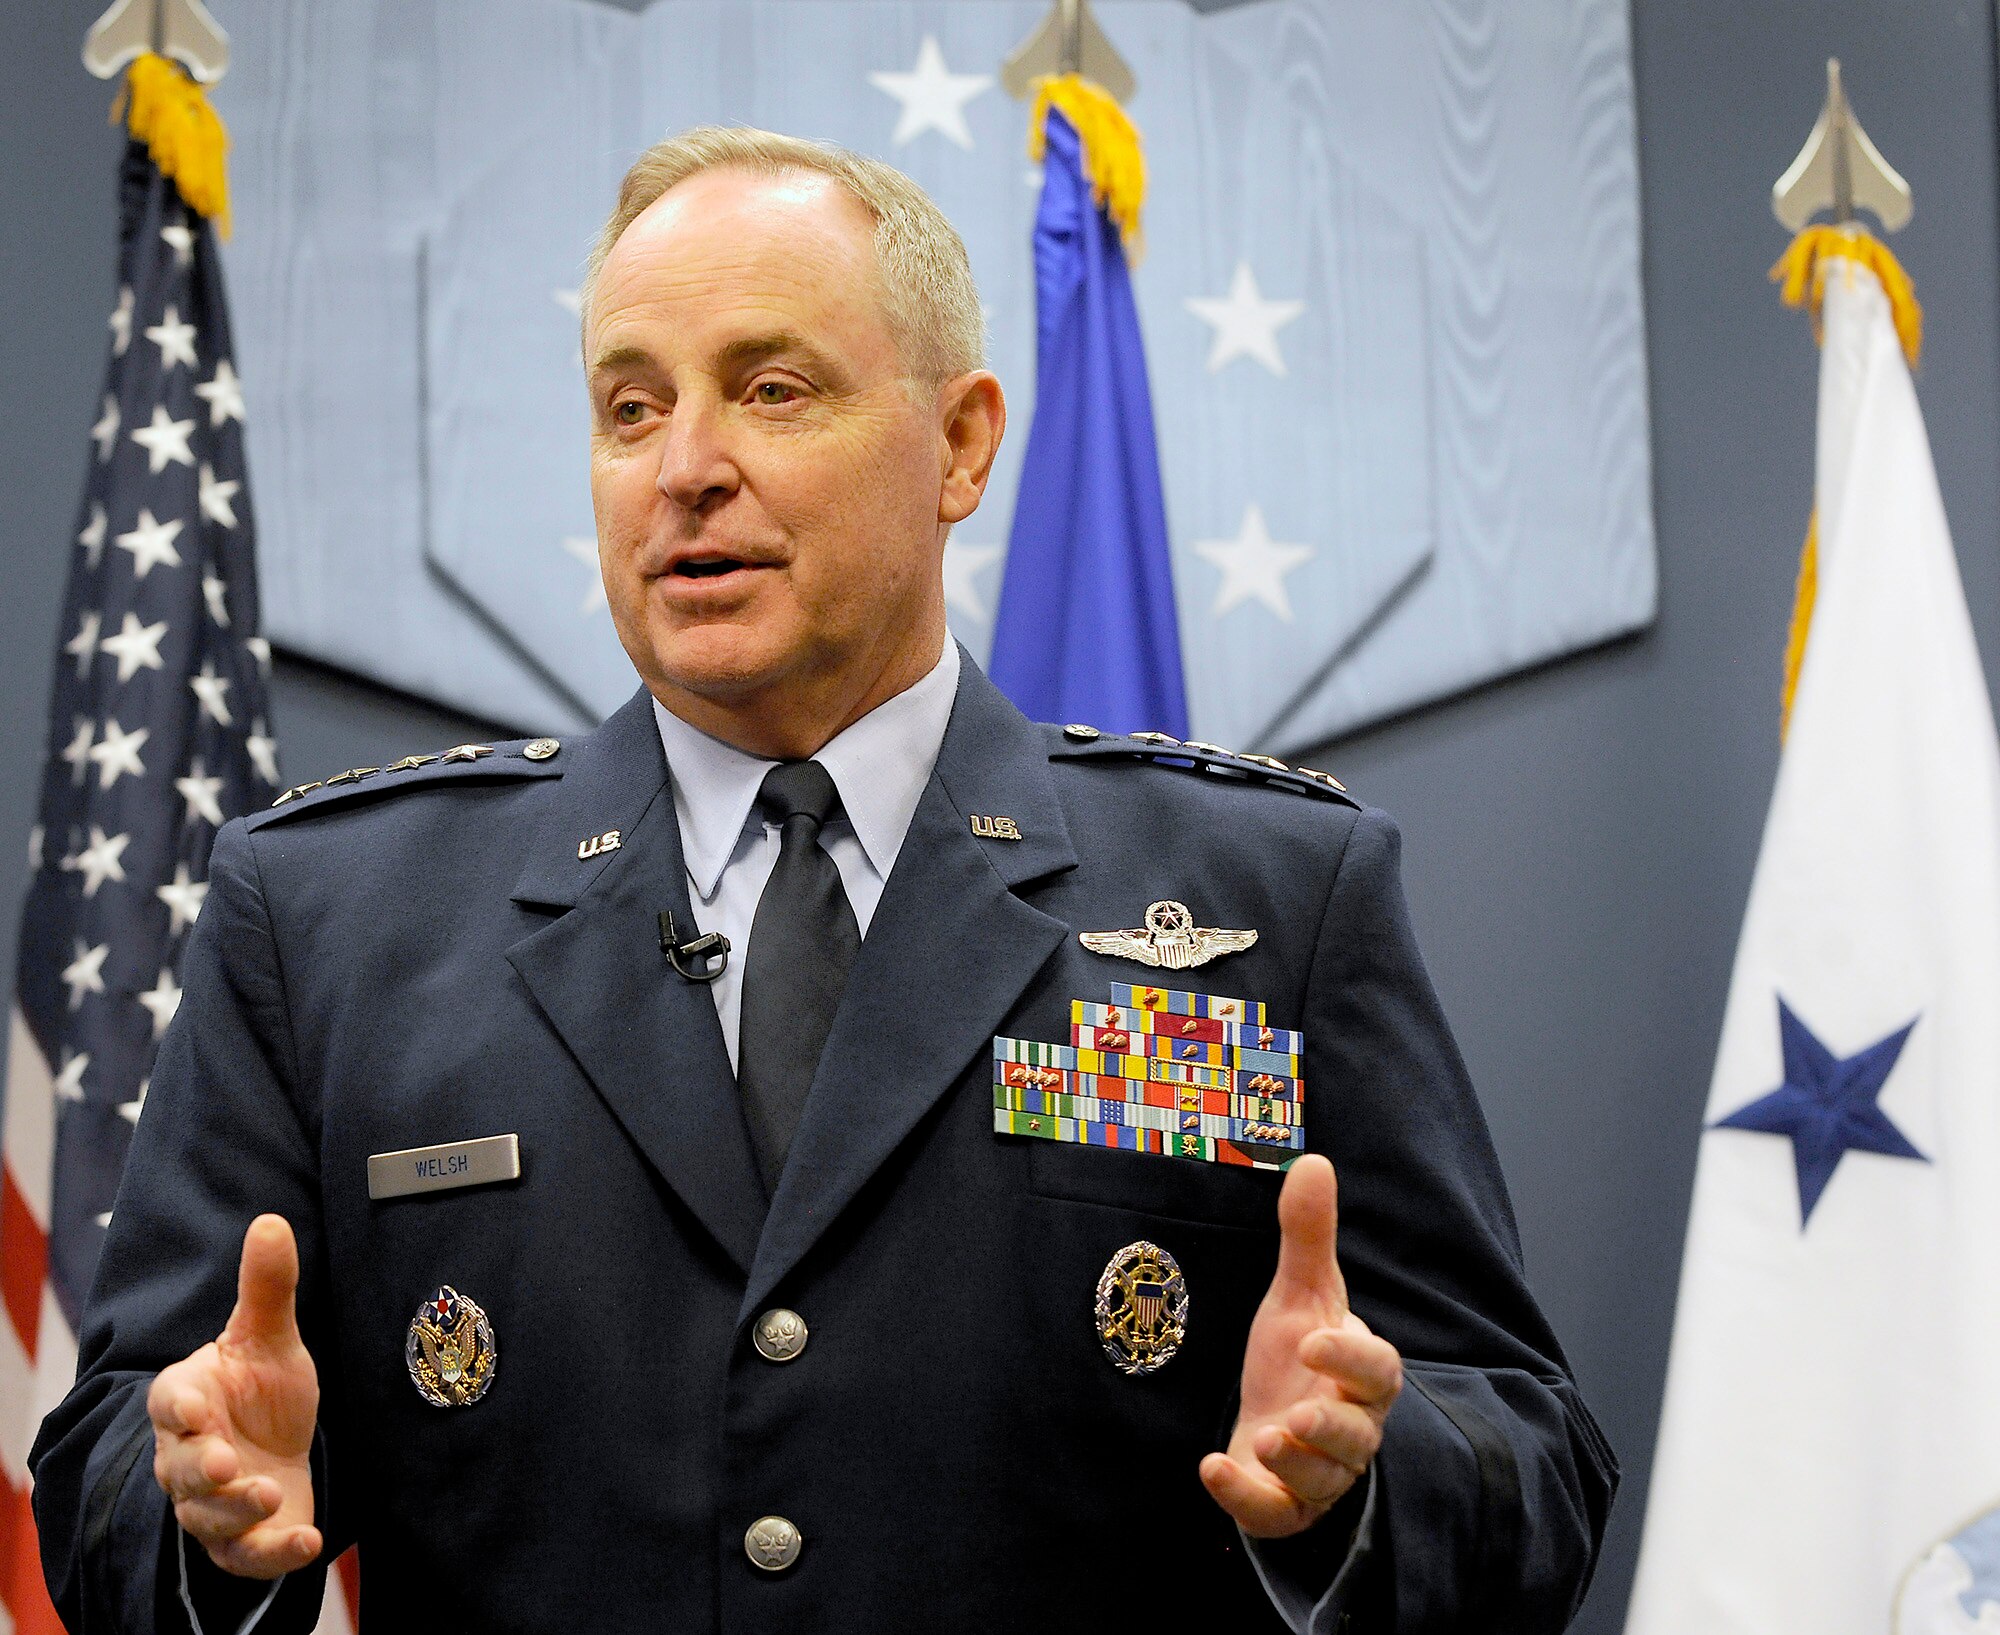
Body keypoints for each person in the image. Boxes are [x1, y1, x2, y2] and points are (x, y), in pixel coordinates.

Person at [32, 127, 1614, 1633]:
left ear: (963, 443)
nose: (686, 468)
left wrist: (1359, 1479)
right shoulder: (330, 922)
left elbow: (1533, 1465)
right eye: (629, 407)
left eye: (772, 389)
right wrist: (200, 1503)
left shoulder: (1272, 897)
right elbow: (108, 1473)